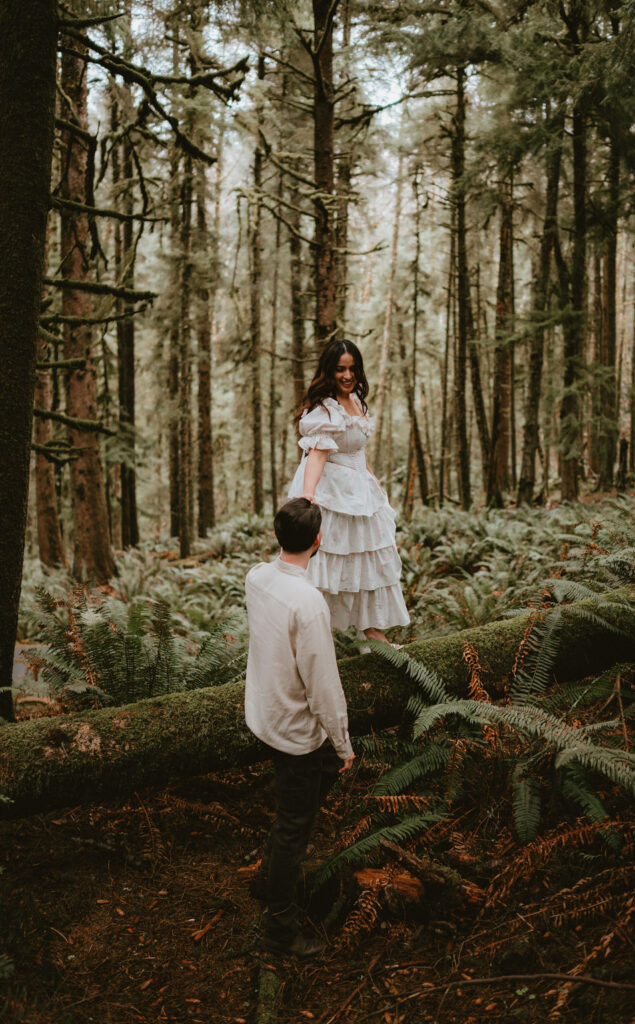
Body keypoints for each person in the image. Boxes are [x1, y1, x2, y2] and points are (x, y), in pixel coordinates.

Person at [244, 497, 355, 958]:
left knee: (296, 807)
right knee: (294, 827)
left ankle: (268, 878)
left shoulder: (257, 576)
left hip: (264, 715)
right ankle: (280, 931)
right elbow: (323, 684)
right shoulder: (308, 602)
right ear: (318, 540)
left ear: (277, 536)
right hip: (294, 733)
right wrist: (344, 744)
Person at [288, 338, 410, 645]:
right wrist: (308, 496)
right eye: (340, 369)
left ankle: (373, 634)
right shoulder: (324, 409)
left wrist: (373, 479)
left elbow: (357, 450)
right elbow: (317, 454)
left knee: (367, 561)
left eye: (352, 369)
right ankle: (309, 639)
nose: (347, 375)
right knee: (325, 565)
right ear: (329, 371)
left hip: (361, 492)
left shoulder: (356, 400)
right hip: (332, 494)